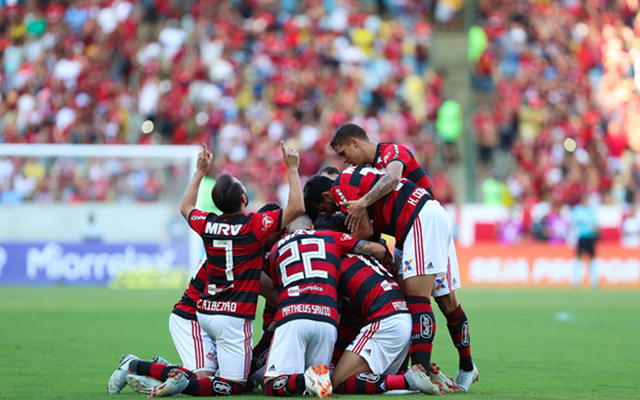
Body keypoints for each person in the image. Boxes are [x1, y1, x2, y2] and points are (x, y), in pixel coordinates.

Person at [143, 142, 304, 398]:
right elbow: (297, 209)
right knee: (235, 385)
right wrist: (292, 168)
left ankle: (162, 372)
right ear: (244, 199)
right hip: (234, 317)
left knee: (215, 375)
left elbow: (185, 209)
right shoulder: (254, 225)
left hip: (205, 312)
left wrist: (198, 173)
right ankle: (182, 384)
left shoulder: (207, 223)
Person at [328, 123, 478, 391]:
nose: (344, 161)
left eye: (343, 153)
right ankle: (467, 367)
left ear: (354, 142)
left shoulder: (390, 152)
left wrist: (361, 204)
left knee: (415, 298)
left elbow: (394, 179)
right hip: (418, 226)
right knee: (447, 301)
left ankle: (418, 370)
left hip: (420, 220)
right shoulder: (370, 170)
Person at [304, 168, 451, 395]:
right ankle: (414, 375)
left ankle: (409, 380)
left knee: (341, 381)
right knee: (375, 378)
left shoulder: (331, 253)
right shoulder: (371, 253)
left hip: (385, 320)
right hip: (404, 321)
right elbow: (382, 252)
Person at [263, 214, 392, 398]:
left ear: (286, 230)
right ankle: (310, 378)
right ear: (312, 226)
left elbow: (277, 292)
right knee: (313, 391)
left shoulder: (277, 247)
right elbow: (378, 250)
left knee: (271, 385)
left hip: (292, 316)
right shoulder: (330, 236)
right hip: (328, 320)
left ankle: (306, 379)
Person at [571, 196, 600, 289]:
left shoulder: (592, 210)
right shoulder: (577, 210)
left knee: (592, 259)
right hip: (581, 237)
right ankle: (576, 281)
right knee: (578, 259)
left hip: (590, 237)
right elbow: (574, 222)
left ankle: (594, 282)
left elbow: (595, 224)